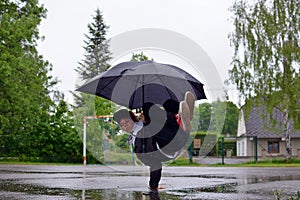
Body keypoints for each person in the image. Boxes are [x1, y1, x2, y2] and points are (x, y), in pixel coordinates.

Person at [113, 91, 195, 190]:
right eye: (122, 124)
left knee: (167, 103)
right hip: (168, 146)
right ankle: (180, 118)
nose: (125, 125)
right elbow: (155, 164)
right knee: (148, 108)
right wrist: (153, 185)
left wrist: (145, 121)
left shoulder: (143, 122)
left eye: (127, 121)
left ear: (134, 119)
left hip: (178, 134)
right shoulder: (137, 141)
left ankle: (182, 117)